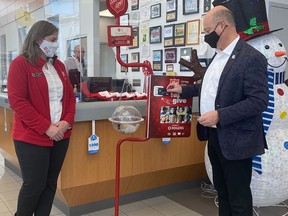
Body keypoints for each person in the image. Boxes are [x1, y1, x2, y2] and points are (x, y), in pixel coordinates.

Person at [167, 6, 268, 216]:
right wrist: (183, 90)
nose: (206, 36)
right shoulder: (218, 56)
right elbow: (212, 89)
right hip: (215, 136)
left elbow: (258, 101)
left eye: (207, 30)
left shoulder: (251, 58)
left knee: (238, 199)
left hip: (237, 139)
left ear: (223, 26)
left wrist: (220, 115)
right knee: (222, 193)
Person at [7, 20, 76, 216]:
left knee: (50, 184)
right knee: (34, 185)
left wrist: (67, 121)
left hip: (61, 134)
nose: (56, 44)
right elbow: (18, 101)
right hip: (32, 136)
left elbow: (70, 98)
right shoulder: (21, 64)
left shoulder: (59, 65)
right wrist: (47, 127)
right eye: (52, 40)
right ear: (38, 39)